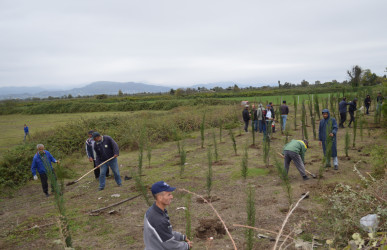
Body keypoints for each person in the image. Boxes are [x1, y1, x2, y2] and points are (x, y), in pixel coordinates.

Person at [144, 181, 193, 250]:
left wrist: (181, 237)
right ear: (160, 198)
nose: (172, 197)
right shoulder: (158, 220)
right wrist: (186, 246)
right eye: (169, 195)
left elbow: (165, 233)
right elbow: (170, 244)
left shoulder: (154, 210)